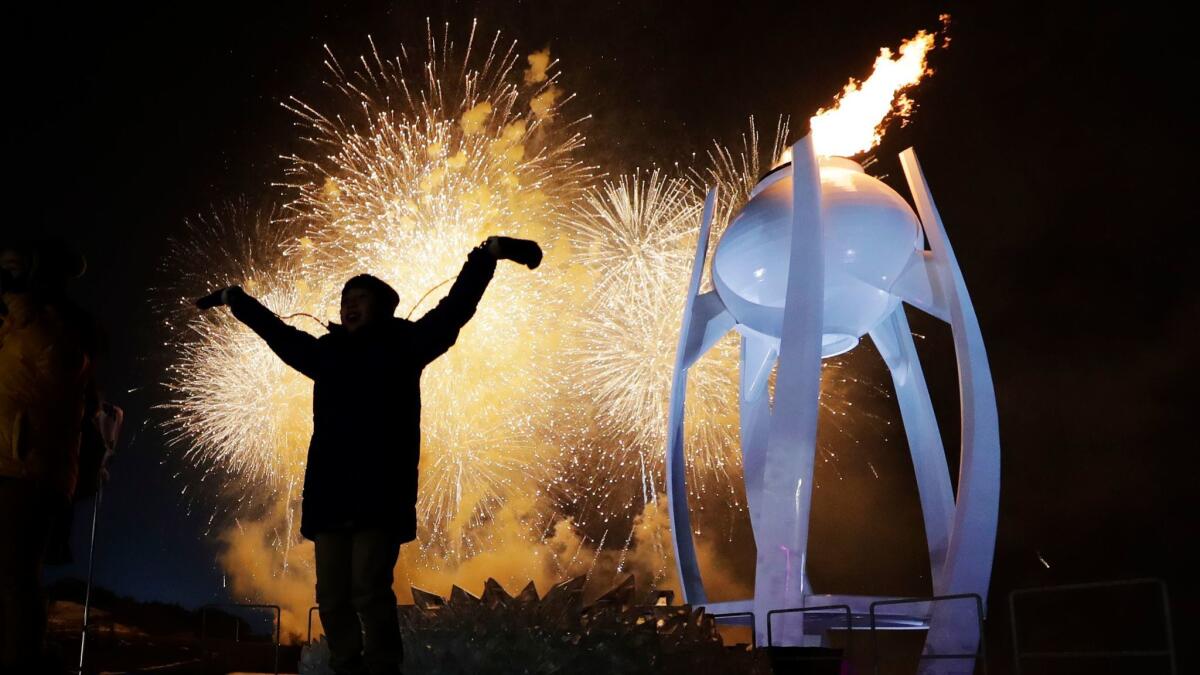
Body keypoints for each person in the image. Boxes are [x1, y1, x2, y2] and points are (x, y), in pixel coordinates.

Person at [197, 235, 541, 675]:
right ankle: (345, 665)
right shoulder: (325, 354)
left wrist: (487, 254)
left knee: (368, 588)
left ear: (383, 306)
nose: (349, 307)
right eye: (345, 300)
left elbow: (456, 308)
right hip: (329, 496)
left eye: (359, 299)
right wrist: (236, 301)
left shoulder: (406, 346)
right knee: (332, 597)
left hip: (380, 494)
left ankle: (382, 666)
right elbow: (278, 334)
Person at [0, 238, 97, 673]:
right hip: (13, 464)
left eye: (15, 269)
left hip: (28, 470)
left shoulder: (58, 330)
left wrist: (22, 310)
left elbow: (55, 372)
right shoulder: (14, 324)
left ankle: (25, 661)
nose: (6, 278)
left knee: (15, 576)